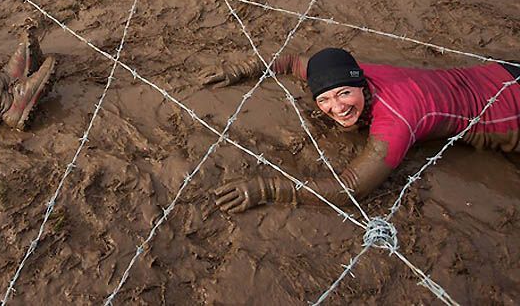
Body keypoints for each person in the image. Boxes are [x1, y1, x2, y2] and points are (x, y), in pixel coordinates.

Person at [201, 48, 520, 212]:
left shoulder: (397, 119)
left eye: (344, 94)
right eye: (324, 99)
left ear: (361, 85)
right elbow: (293, 61)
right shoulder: (347, 71)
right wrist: (244, 69)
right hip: (501, 71)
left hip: (512, 119)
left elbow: (351, 188)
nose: (337, 107)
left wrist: (266, 189)